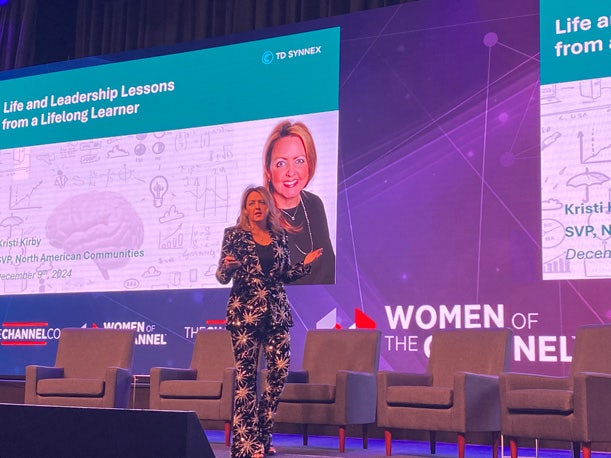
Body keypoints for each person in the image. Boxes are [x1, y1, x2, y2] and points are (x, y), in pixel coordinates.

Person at [216, 185, 323, 458]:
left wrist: (305, 264)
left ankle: (263, 435)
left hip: (276, 313)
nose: (257, 207)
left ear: (269, 207)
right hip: (244, 314)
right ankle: (248, 443)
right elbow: (221, 276)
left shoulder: (279, 236)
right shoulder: (234, 235)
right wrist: (227, 267)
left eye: (262, 202)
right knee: (246, 376)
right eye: (252, 203)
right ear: (245, 208)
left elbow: (283, 275)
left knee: (279, 372)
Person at [263, 120, 335, 284]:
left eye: (299, 161)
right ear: (268, 170)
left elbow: (330, 267)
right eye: (281, 163)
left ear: (310, 163)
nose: (291, 172)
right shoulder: (256, 217)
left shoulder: (314, 204)